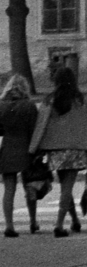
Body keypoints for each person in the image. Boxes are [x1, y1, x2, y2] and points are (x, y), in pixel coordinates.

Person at [30, 64, 87, 237]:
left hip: (56, 151)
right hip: (76, 150)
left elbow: (41, 127)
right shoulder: (81, 100)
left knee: (65, 188)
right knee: (67, 189)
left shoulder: (49, 101)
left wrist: (35, 149)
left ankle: (75, 220)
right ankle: (59, 225)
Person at [1, 74, 41, 237]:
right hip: (26, 150)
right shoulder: (29, 106)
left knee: (9, 189)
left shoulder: (0, 106)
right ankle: (32, 222)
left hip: (7, 149)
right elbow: (35, 130)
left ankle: (9, 225)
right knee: (29, 187)